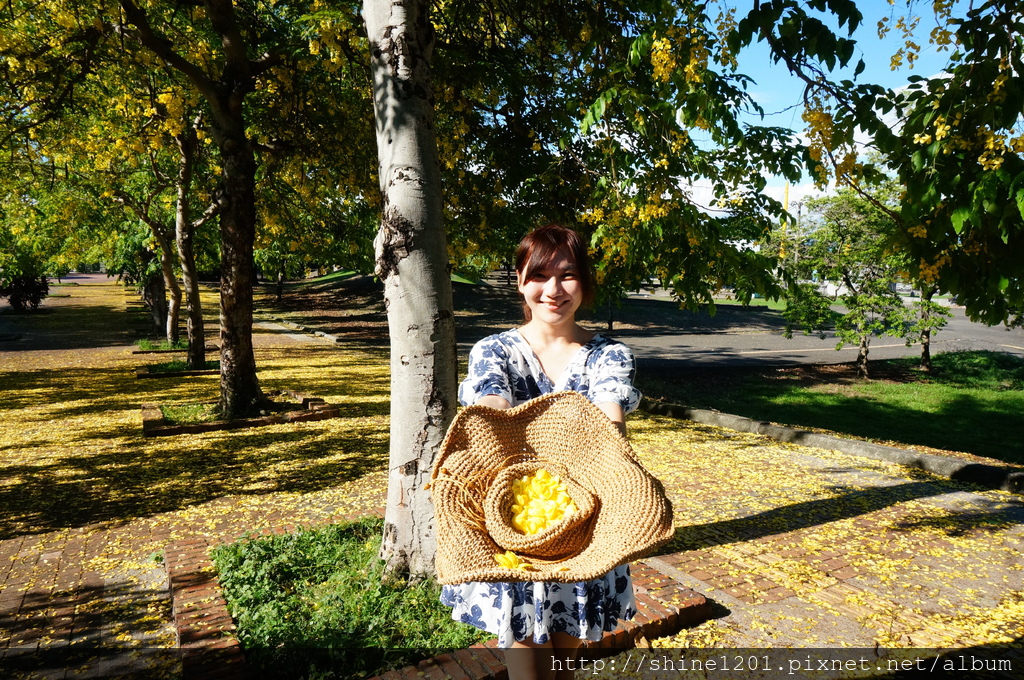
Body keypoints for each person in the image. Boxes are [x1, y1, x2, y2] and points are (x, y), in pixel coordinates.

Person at [441, 223, 642, 680]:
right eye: (539, 275)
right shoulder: (494, 351)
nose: (553, 289)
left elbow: (610, 422)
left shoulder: (608, 355)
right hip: (514, 535)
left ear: (585, 282)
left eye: (567, 275)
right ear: (519, 280)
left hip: (584, 535)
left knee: (563, 671)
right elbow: (492, 414)